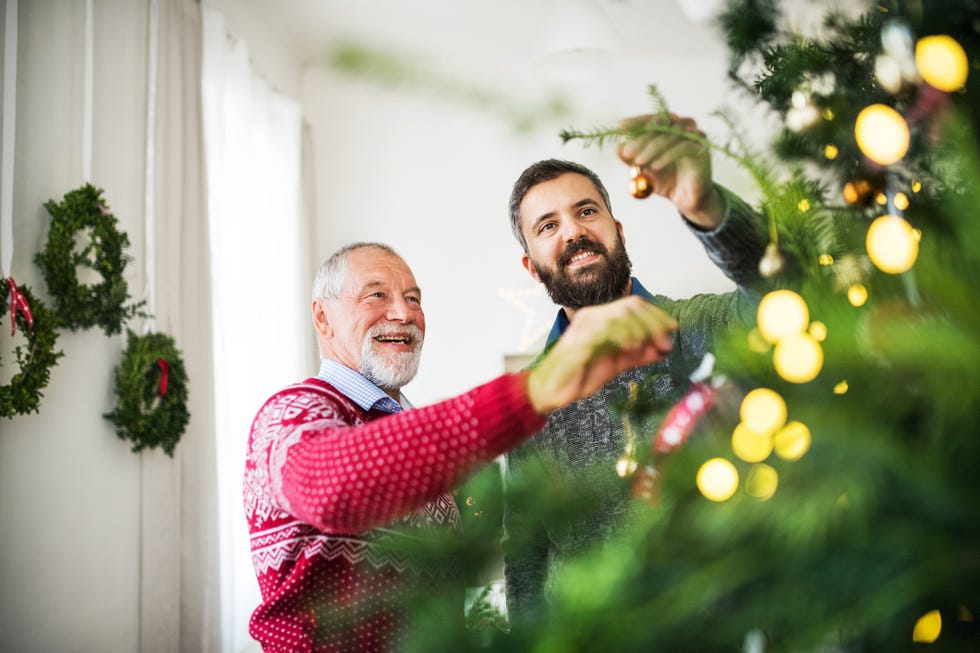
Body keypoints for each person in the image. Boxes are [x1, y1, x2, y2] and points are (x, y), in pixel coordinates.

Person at [243, 241, 680, 652]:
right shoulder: (291, 413)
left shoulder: (415, 441)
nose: (403, 313)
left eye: (413, 298)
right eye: (376, 296)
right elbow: (330, 487)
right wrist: (533, 390)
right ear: (322, 318)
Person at [501, 113, 770, 625]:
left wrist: (706, 206)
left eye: (587, 211)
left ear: (618, 230)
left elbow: (779, 296)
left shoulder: (703, 325)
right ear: (531, 265)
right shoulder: (526, 396)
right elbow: (526, 547)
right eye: (548, 225)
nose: (575, 231)